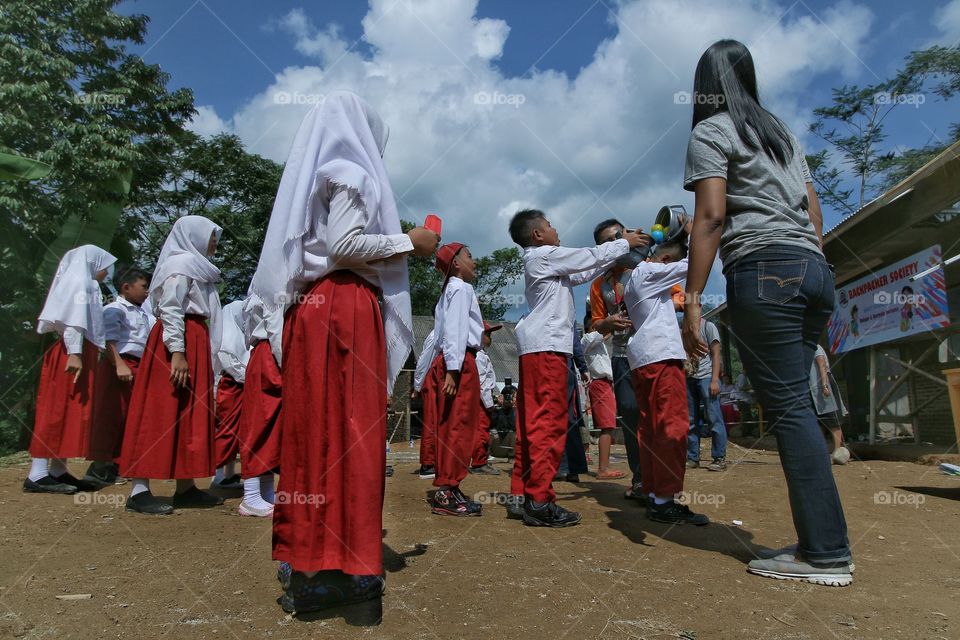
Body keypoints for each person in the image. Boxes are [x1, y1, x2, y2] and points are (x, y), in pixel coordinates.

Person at [252, 92, 439, 618]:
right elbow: (346, 246)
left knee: (314, 434)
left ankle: (312, 570)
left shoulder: (320, 173)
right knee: (354, 434)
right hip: (344, 308)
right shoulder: (352, 172)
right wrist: (411, 241)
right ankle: (354, 570)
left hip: (312, 312)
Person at [681, 39, 852, 586]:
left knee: (791, 413)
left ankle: (825, 553)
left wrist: (691, 300)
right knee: (799, 405)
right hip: (812, 268)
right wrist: (812, 267)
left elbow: (709, 218)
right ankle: (819, 543)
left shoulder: (711, 132)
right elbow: (814, 212)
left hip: (762, 269)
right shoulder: (781, 134)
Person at [508, 208, 646, 527]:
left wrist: (615, 252)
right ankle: (540, 501)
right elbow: (586, 257)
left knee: (532, 424)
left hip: (538, 348)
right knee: (549, 424)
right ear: (538, 235)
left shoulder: (546, 263)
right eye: (550, 225)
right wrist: (623, 242)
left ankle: (522, 492)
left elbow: (584, 271)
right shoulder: (544, 255)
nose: (557, 229)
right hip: (548, 349)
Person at [119, 215, 225, 515]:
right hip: (175, 341)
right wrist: (177, 351)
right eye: (211, 236)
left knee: (188, 410)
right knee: (159, 409)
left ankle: (186, 486)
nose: (214, 242)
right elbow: (170, 308)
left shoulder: (198, 267)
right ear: (194, 235)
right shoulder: (179, 265)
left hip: (193, 339)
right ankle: (139, 490)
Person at [624, 237, 709, 526]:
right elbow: (692, 264)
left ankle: (655, 495)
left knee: (650, 430)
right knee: (673, 426)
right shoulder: (648, 272)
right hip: (660, 356)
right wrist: (693, 233)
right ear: (664, 261)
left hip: (645, 358)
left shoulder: (640, 281)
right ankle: (666, 500)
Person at [25, 245, 116, 494]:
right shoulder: (82, 283)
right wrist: (75, 353)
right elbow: (74, 321)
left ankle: (57, 470)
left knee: (68, 409)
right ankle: (38, 473)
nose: (107, 272)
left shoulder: (77, 280)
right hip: (71, 351)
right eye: (104, 265)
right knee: (56, 409)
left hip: (75, 350)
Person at [425, 242, 484, 516]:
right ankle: (447, 490)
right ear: (456, 264)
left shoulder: (449, 290)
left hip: (452, 361)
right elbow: (456, 330)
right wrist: (453, 368)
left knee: (450, 425)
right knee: (459, 425)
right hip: (459, 363)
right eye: (470, 256)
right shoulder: (461, 288)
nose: (475, 261)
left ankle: (451, 484)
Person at [85, 266, 154, 486]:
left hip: (138, 367)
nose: (147, 292)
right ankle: (99, 466)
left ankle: (118, 463)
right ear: (126, 287)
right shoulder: (115, 309)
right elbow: (108, 339)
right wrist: (119, 364)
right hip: (118, 365)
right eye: (143, 287)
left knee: (130, 416)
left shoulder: (144, 313)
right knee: (111, 415)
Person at [236, 293, 282, 517]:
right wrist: (285, 361)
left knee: (272, 428)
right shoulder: (271, 283)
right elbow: (275, 324)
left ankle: (265, 492)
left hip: (271, 352)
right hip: (271, 353)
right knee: (260, 424)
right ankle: (251, 496)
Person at [211, 300, 249, 490]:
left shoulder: (240, 337)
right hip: (231, 385)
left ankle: (229, 474)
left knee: (238, 431)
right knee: (228, 430)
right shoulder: (227, 338)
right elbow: (230, 364)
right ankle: (216, 473)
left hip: (240, 383)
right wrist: (248, 377)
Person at [581, 315, 625, 479]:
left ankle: (604, 466)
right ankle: (603, 468)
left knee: (609, 426)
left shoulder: (599, 342)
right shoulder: (587, 339)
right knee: (607, 426)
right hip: (599, 383)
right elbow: (602, 334)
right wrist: (608, 325)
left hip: (606, 383)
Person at [685, 318, 727, 471]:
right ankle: (692, 457)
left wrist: (715, 379)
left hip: (707, 377)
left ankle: (719, 457)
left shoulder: (709, 327)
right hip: (689, 377)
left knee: (714, 417)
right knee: (690, 420)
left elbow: (716, 354)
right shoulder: (683, 328)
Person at [470, 321, 502, 475]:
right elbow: (482, 383)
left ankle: (478, 460)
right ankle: (479, 462)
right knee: (481, 430)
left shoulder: (480, 355)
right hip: (481, 401)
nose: (491, 338)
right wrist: (489, 404)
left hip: (479, 399)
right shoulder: (479, 357)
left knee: (479, 430)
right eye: (488, 334)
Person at [810, 344, 850, 465]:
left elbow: (821, 365)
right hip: (812, 389)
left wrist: (824, 385)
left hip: (823, 386)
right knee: (817, 420)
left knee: (832, 419)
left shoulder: (815, 347)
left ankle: (838, 452)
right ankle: (820, 452)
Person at [412, 329, 438, 479]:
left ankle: (436, 460)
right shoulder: (436, 335)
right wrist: (417, 386)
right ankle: (428, 463)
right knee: (432, 422)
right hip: (433, 380)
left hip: (440, 381)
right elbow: (424, 360)